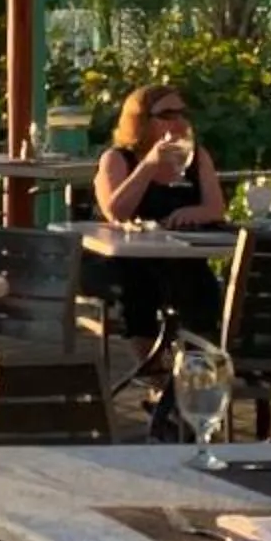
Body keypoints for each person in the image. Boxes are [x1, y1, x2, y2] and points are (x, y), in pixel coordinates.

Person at [92, 82, 229, 345]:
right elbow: (116, 212)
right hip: (127, 259)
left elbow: (215, 209)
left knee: (197, 283)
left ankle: (196, 359)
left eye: (182, 113)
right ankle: (150, 364)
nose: (178, 122)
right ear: (140, 121)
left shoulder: (196, 156)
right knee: (138, 287)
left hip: (182, 257)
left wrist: (193, 212)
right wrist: (149, 165)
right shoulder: (118, 158)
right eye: (167, 115)